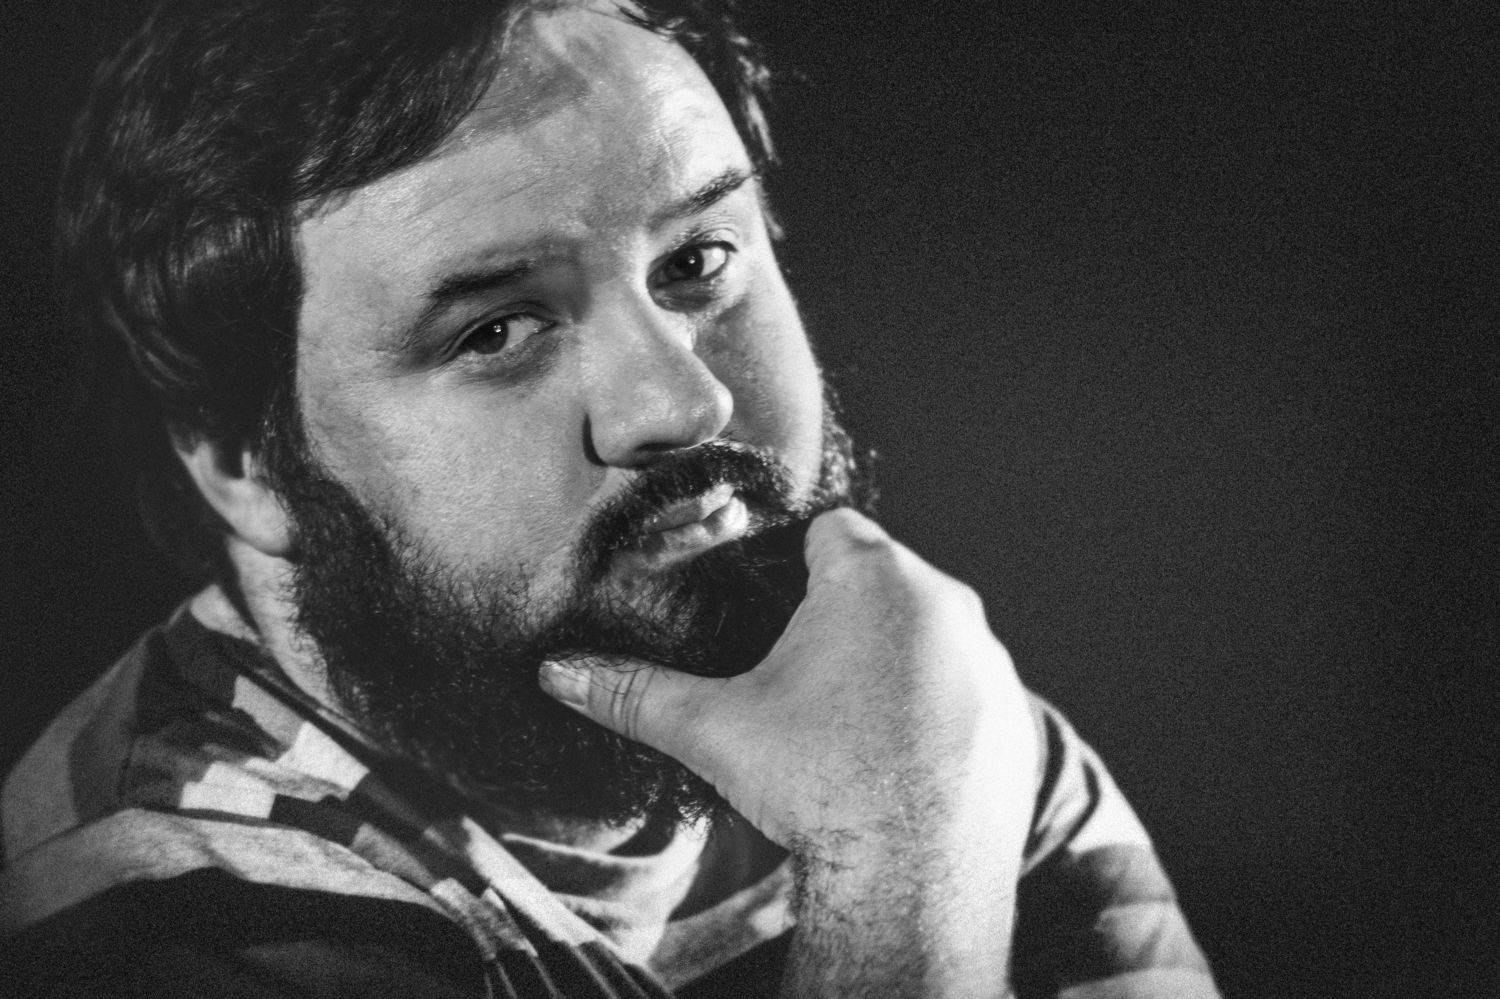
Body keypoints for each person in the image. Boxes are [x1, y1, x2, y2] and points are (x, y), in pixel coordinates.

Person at [0, 1, 1219, 995]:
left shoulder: (915, 716)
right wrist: (903, 870)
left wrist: (914, 816)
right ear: (246, 466)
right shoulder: (161, 920)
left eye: (697, 261)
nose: (683, 405)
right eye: (497, 330)